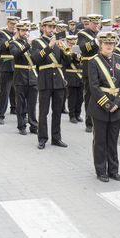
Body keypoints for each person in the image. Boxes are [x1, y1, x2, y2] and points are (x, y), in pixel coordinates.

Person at [88, 31, 120, 182]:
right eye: (106, 43)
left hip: (116, 107)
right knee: (100, 140)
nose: (109, 46)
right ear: (100, 44)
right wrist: (107, 104)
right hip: (100, 107)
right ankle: (101, 170)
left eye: (111, 43)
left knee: (112, 140)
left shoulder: (119, 60)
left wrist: (117, 103)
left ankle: (113, 170)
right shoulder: (93, 61)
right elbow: (93, 86)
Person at [32, 16, 68, 149]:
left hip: (58, 81)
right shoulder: (37, 42)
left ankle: (56, 138)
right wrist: (50, 46)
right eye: (49, 27)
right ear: (43, 28)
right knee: (43, 112)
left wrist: (67, 51)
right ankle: (42, 138)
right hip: (45, 81)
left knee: (57, 111)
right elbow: (35, 58)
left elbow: (66, 63)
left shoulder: (59, 43)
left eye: (54, 27)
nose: (52, 30)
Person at [6, 21, 38, 132]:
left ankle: (34, 126)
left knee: (32, 104)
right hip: (20, 76)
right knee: (20, 103)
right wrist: (28, 44)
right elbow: (16, 54)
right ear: (18, 31)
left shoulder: (32, 43)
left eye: (27, 30)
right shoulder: (13, 43)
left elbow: (36, 58)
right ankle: (21, 126)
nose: (25, 32)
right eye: (23, 30)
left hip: (33, 76)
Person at [78, 13, 102, 132]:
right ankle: (89, 122)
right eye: (94, 23)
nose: (96, 25)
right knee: (89, 96)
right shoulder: (82, 34)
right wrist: (95, 41)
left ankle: (99, 120)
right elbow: (83, 49)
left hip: (101, 68)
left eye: (98, 23)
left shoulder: (101, 34)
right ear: (90, 23)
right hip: (88, 69)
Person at [0, 16, 18, 124]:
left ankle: (14, 108)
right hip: (6, 65)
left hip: (17, 65)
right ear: (8, 23)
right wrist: (13, 39)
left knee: (16, 90)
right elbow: (2, 48)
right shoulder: (2, 34)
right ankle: (0, 115)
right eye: (12, 24)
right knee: (5, 91)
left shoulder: (18, 34)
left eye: (15, 24)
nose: (14, 26)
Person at [63, 35, 83, 123]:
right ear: (67, 43)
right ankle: (72, 115)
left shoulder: (76, 49)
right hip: (70, 76)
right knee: (72, 97)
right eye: (70, 43)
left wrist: (76, 53)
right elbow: (67, 62)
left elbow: (80, 60)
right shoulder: (65, 50)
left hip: (80, 76)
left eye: (74, 43)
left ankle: (78, 114)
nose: (72, 45)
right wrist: (71, 54)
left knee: (80, 98)